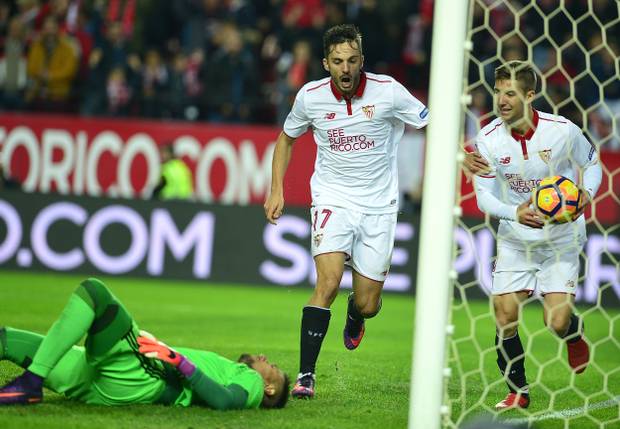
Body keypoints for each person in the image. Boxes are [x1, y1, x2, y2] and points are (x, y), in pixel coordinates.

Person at [263, 24, 429, 399]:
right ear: (326, 63)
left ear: (362, 60)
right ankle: (306, 375)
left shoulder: (388, 91)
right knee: (328, 283)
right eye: (338, 61)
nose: (346, 68)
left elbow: (430, 122)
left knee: (368, 303)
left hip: (379, 206)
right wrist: (276, 189)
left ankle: (356, 313)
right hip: (332, 198)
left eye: (352, 60)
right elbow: (286, 139)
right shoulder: (310, 97)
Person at [470, 61, 602, 410]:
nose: (502, 100)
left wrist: (586, 194)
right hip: (515, 239)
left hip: (560, 239)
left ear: (530, 95)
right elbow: (483, 196)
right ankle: (518, 390)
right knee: (504, 316)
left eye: (511, 93)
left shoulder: (562, 131)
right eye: (498, 92)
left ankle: (572, 333)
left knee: (555, 321)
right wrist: (514, 212)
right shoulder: (488, 139)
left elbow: (592, 164)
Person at [0, 277, 289, 409]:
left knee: (94, 292)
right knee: (6, 339)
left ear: (270, 388)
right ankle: (33, 379)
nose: (265, 358)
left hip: (136, 374)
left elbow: (225, 401)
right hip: (94, 377)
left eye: (273, 367)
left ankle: (31, 383)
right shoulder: (229, 369)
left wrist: (180, 363)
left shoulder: (251, 381)